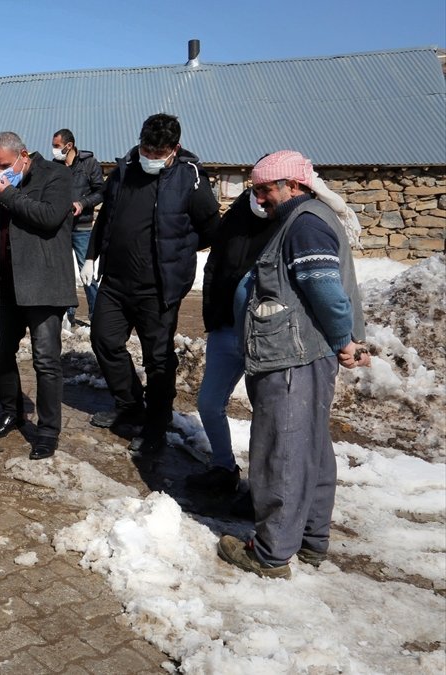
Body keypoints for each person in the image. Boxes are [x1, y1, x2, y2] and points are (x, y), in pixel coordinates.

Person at [217, 150, 370, 579]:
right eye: (257, 190)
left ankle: (270, 553)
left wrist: (345, 340)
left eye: (265, 190)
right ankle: (310, 540)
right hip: (303, 354)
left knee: (281, 453)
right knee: (310, 448)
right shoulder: (305, 218)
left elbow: (324, 290)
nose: (260, 199)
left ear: (294, 186)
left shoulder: (303, 224)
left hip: (292, 359)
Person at [81, 113, 219, 454]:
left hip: (159, 286)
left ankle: (157, 423)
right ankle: (129, 405)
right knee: (104, 339)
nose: (150, 157)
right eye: (147, 148)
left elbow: (212, 226)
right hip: (115, 280)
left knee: (157, 359)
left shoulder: (190, 179)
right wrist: (91, 255)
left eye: (158, 153)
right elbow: (108, 215)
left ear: (175, 148)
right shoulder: (126, 169)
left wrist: (180, 248)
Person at [0, 132, 77, 460]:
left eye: (4, 165)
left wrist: (8, 196)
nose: (0, 172)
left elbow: (50, 218)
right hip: (6, 284)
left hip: (43, 283)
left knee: (46, 360)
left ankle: (48, 430)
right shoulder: (6, 182)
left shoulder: (57, 175)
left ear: (23, 155)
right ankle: (11, 410)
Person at [187, 188, 281, 497]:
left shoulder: (289, 222)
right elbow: (214, 264)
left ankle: (266, 489)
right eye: (258, 188)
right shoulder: (236, 217)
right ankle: (224, 467)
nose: (262, 196)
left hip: (265, 336)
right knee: (209, 403)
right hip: (226, 328)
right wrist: (212, 315)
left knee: (268, 414)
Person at [51, 129, 104, 324]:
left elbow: (100, 192)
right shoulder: (54, 166)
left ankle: (96, 314)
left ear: (69, 145)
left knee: (86, 272)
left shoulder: (89, 163)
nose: (54, 150)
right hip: (61, 227)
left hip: (82, 227)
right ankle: (68, 313)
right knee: (63, 272)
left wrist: (82, 204)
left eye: (57, 146)